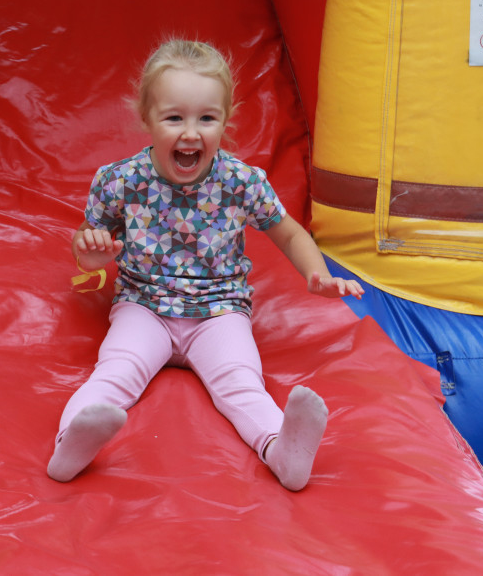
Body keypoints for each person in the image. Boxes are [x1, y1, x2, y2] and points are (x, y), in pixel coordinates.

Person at [48, 40, 364, 491]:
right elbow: (87, 241)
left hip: (219, 312)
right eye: (175, 117)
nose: (191, 133)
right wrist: (92, 252)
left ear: (225, 120)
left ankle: (283, 452)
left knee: (240, 381)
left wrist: (318, 274)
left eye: (206, 118)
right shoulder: (120, 181)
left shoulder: (241, 182)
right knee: (117, 369)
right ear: (147, 118)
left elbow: (290, 232)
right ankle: (70, 443)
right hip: (145, 305)